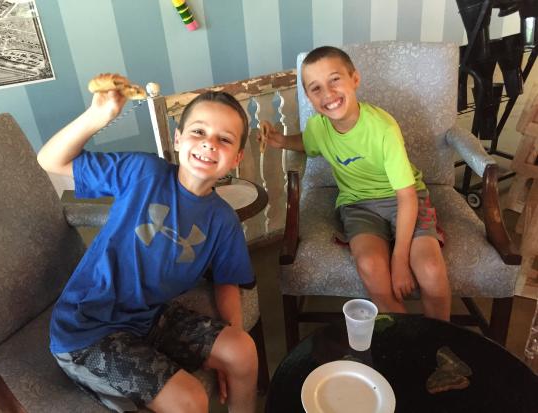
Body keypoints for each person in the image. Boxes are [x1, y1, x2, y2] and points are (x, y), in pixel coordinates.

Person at [37, 88, 258, 413]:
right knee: (192, 400)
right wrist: (98, 116)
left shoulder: (223, 220)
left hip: (149, 317)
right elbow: (50, 160)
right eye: (199, 132)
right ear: (178, 139)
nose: (209, 143)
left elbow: (227, 280)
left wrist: (229, 347)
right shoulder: (143, 173)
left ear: (236, 158)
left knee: (242, 351)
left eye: (224, 139)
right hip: (87, 329)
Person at [261, 46, 451, 321]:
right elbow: (308, 143)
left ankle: (441, 339)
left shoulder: (383, 128)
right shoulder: (318, 127)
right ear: (309, 97)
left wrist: (399, 260)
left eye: (335, 80)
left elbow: (406, 196)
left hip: (405, 200)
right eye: (316, 88)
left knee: (431, 269)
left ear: (355, 79)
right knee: (370, 265)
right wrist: (281, 141)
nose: (328, 93)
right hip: (358, 205)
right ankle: (405, 337)